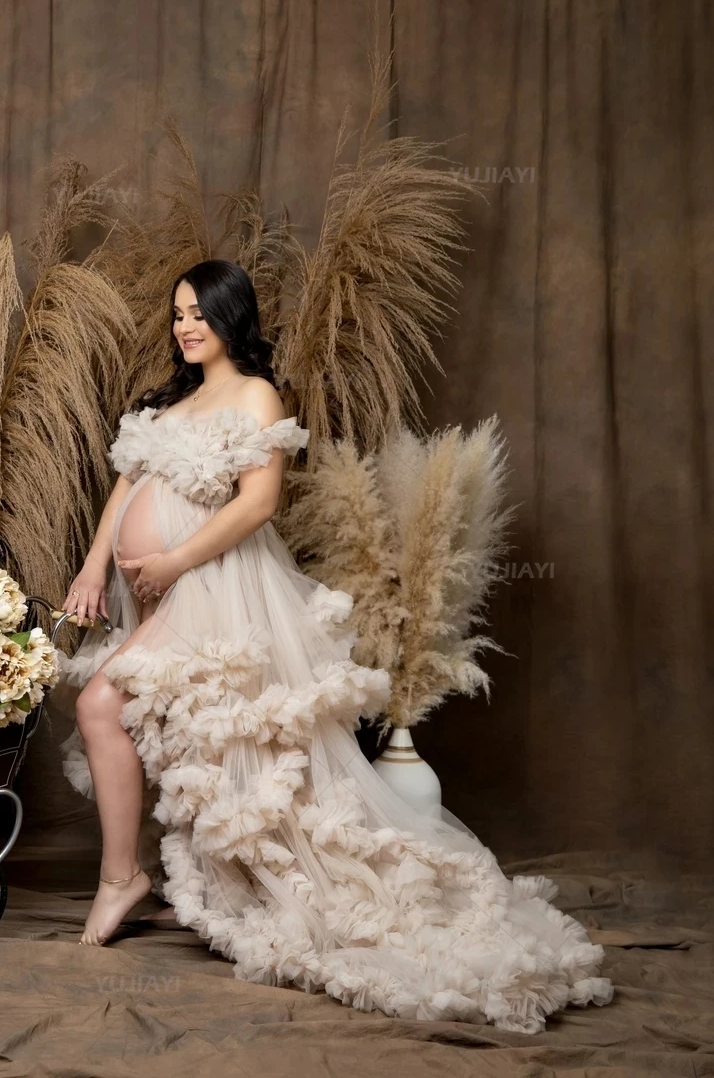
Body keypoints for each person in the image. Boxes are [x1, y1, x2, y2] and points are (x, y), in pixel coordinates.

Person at [56, 260, 613, 1033]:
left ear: (230, 318)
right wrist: (92, 565)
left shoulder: (257, 395)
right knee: (123, 716)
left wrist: (177, 560)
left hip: (217, 586)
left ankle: (128, 877)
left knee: (111, 707)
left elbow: (260, 503)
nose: (185, 326)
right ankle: (126, 874)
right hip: (168, 589)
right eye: (178, 313)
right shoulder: (171, 398)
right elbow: (126, 487)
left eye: (199, 314)